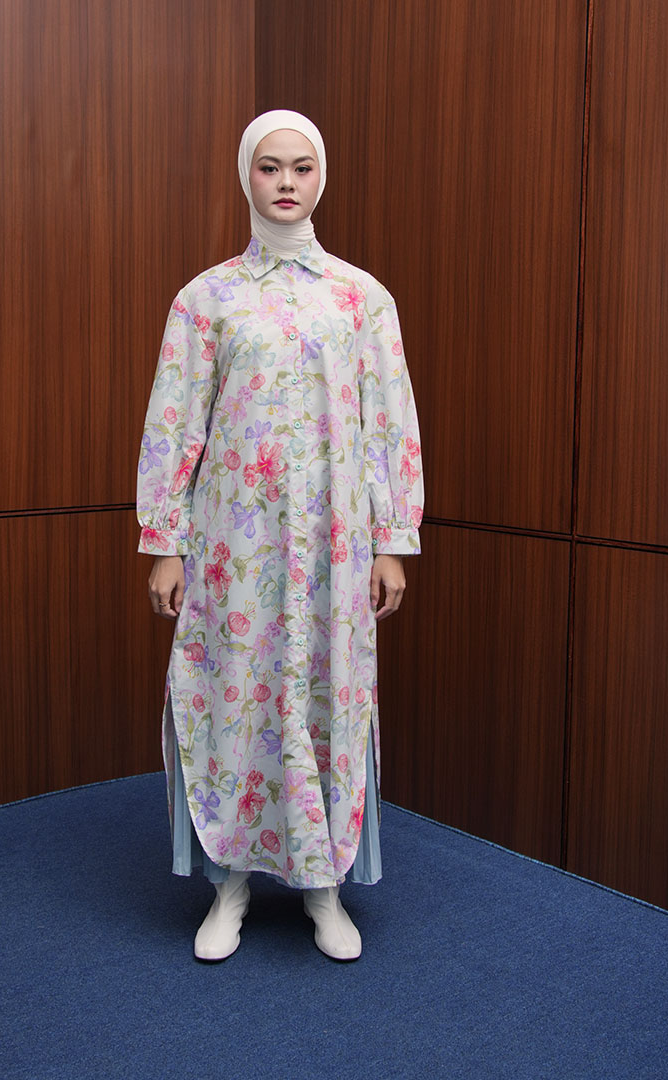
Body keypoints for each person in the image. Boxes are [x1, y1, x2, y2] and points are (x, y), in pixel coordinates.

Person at [135, 109, 424, 962]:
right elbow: (175, 420)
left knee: (327, 691)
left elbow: (389, 421)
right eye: (270, 167)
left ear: (321, 175)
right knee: (235, 691)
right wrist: (164, 540)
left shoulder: (362, 298)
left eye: (302, 166)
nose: (287, 182)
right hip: (235, 542)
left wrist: (393, 537)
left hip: (335, 544)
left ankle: (323, 885)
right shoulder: (206, 299)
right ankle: (229, 881)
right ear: (246, 176)